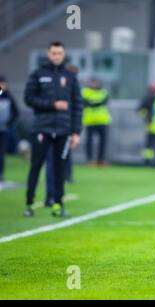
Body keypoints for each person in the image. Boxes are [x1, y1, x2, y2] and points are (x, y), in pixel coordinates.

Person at [23, 41, 82, 218]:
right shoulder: (38, 74)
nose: (56, 56)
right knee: (36, 166)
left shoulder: (70, 76)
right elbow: (28, 98)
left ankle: (58, 203)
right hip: (42, 128)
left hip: (64, 130)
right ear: (48, 54)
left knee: (60, 168)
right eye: (53, 53)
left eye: (59, 53)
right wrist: (52, 104)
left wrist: (76, 132)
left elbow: (78, 105)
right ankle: (29, 203)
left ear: (63, 54)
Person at [82, 78, 111, 166]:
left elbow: (104, 102)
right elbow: (85, 103)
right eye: (92, 83)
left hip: (103, 120)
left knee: (103, 142)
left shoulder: (103, 92)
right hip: (90, 121)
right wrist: (95, 103)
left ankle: (101, 160)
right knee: (89, 142)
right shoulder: (85, 92)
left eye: (96, 83)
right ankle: (90, 160)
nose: (94, 85)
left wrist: (92, 103)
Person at [0, 76, 20, 183]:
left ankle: (1, 174)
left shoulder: (8, 97)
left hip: (3, 130)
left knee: (1, 154)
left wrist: (8, 124)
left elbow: (15, 113)